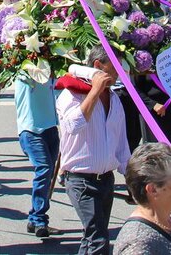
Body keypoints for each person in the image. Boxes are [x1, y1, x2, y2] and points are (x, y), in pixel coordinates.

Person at [56, 46, 130, 255]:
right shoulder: (71, 94)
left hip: (106, 179)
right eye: (115, 66)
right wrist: (95, 91)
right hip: (80, 180)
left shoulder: (115, 99)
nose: (120, 71)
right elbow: (72, 126)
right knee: (98, 238)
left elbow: (121, 142)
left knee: (92, 237)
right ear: (98, 66)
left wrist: (133, 178)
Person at [15, 70, 59, 239]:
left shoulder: (53, 71)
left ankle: (35, 218)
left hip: (50, 128)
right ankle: (39, 220)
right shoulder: (25, 72)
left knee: (48, 174)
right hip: (30, 130)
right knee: (44, 169)